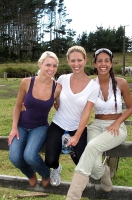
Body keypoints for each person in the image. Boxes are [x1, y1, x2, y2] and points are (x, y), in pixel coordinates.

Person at [66, 48, 132, 200]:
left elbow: (131, 108)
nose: (103, 64)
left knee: (90, 148)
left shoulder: (121, 83)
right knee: (95, 165)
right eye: (100, 61)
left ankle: (72, 196)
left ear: (111, 64)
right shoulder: (90, 84)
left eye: (106, 61)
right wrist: (57, 102)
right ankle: (104, 172)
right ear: (94, 64)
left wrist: (117, 122)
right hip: (96, 125)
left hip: (116, 127)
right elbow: (78, 103)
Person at [45, 46, 100, 186]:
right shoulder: (63, 78)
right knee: (50, 160)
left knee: (80, 160)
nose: (76, 64)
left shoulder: (93, 86)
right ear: (68, 61)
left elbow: (87, 113)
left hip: (77, 126)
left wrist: (76, 137)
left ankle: (82, 181)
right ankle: (57, 169)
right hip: (58, 124)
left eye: (79, 60)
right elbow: (53, 95)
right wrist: (52, 101)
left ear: (85, 60)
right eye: (73, 60)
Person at [8, 51, 61, 188]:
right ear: (40, 64)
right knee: (14, 157)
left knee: (30, 156)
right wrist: (14, 128)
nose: (51, 69)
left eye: (55, 66)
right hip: (21, 125)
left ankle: (45, 173)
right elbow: (18, 105)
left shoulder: (57, 88)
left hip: (40, 127)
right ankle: (30, 174)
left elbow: (59, 105)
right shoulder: (26, 83)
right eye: (48, 65)